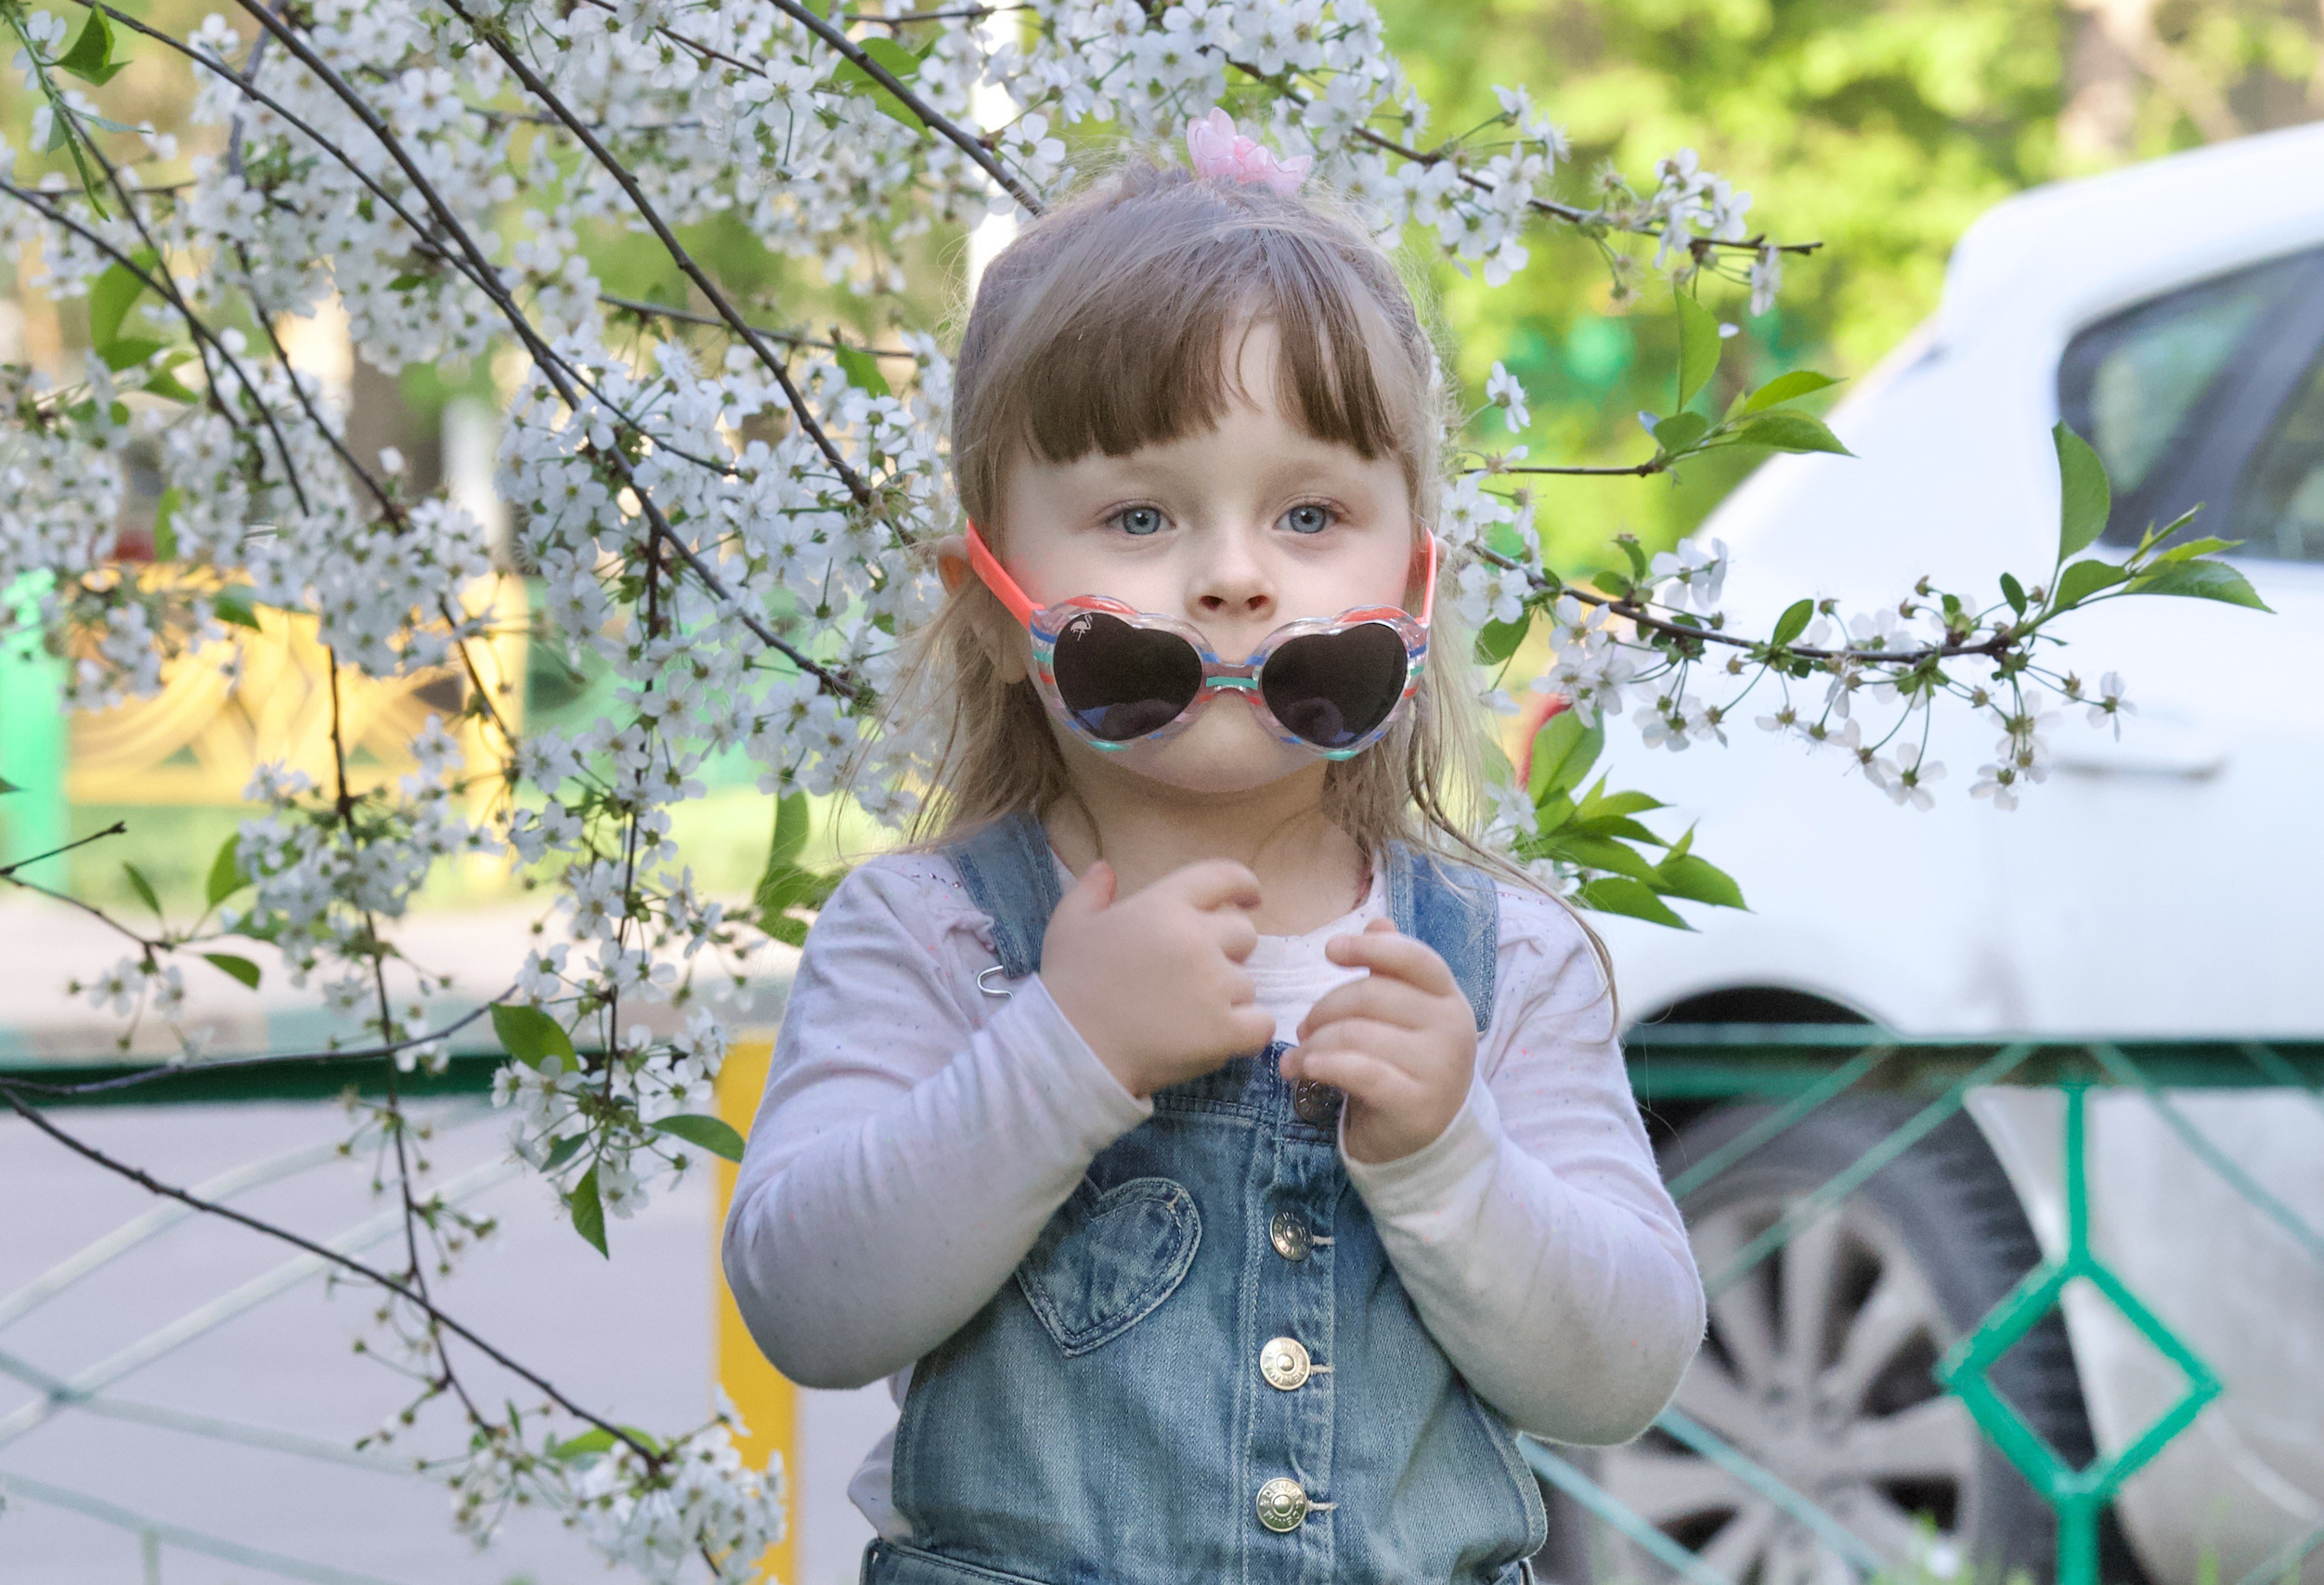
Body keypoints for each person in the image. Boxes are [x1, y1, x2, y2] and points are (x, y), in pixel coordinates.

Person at [722, 114, 1706, 1585]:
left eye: (1311, 512)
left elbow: (1623, 1374)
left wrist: (1449, 1162)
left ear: (1415, 581)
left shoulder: (1507, 964)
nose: (1236, 575)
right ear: (993, 603)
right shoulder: (934, 935)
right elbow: (806, 1304)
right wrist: (1061, 1053)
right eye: (1138, 514)